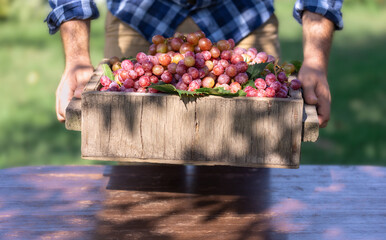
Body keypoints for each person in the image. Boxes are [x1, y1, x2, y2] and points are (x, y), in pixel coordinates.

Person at [46, 0, 343, 128]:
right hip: (140, 15)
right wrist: (76, 59)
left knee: (244, 173)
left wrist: (315, 60)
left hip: (240, 15)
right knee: (142, 176)